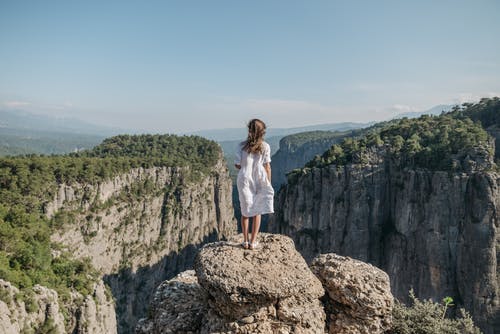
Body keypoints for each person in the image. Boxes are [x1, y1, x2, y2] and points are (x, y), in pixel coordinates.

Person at [234, 119, 274, 250]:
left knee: (245, 211)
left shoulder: (241, 146)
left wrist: (246, 166)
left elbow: (237, 164)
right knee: (257, 211)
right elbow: (267, 166)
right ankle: (253, 241)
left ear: (249, 130)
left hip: (244, 178)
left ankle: (245, 241)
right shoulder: (265, 146)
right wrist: (268, 182)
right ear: (262, 132)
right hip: (260, 179)